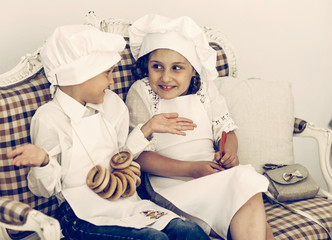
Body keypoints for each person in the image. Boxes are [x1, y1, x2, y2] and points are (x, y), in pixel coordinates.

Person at [6, 24, 209, 240]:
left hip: (122, 201)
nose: (112, 81)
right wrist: (44, 162)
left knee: (188, 230)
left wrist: (147, 128)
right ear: (81, 75)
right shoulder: (49, 118)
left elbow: (120, 156)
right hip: (77, 212)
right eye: (107, 73)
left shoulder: (111, 103)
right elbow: (45, 190)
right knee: (153, 238)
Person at [125, 14, 274, 240]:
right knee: (252, 212)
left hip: (211, 174)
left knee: (245, 183)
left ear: (194, 69)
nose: (166, 77)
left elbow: (227, 132)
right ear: (147, 65)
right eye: (157, 67)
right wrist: (192, 170)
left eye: (177, 68)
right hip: (170, 184)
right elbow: (140, 157)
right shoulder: (140, 91)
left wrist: (229, 152)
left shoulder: (205, 90)